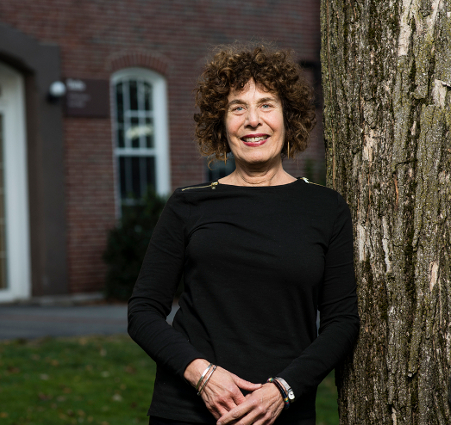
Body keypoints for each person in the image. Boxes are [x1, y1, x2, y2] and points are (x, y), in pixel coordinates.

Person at [127, 45, 360, 425]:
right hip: (186, 412)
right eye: (238, 108)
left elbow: (342, 321)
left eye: (266, 105)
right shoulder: (189, 204)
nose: (253, 120)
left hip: (282, 412)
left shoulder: (325, 208)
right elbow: (142, 312)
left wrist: (284, 389)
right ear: (221, 123)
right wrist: (202, 375)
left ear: (288, 116)